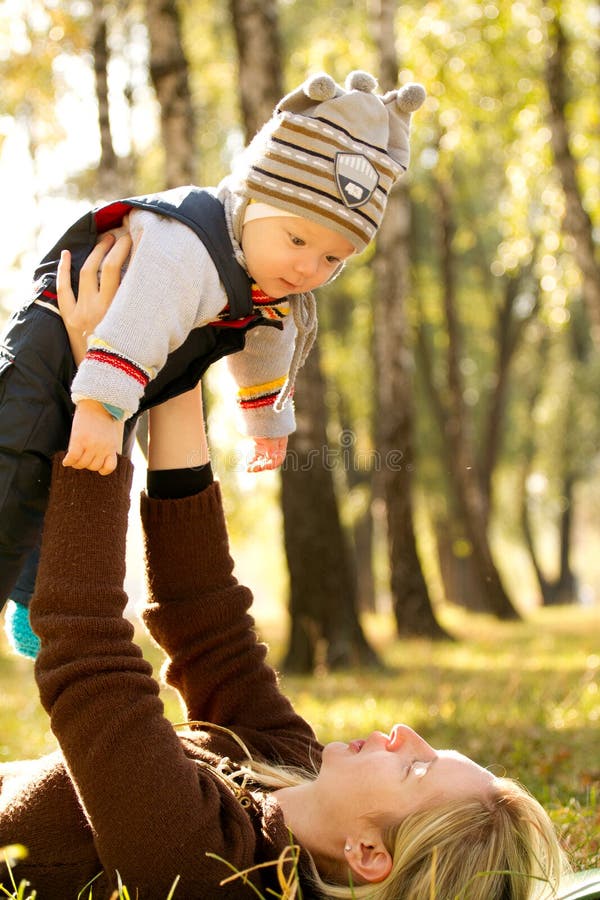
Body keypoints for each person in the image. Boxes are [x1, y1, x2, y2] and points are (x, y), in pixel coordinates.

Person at [0, 247, 568, 900]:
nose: (403, 734)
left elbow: (87, 654)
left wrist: (102, 383)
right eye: (430, 747)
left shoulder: (204, 865)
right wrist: (174, 353)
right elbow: (206, 623)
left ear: (367, 854)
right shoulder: (290, 771)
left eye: (416, 768)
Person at [0, 70, 426, 649]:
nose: (307, 268)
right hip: (61, 330)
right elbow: (142, 315)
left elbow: (268, 346)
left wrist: (266, 421)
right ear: (253, 200)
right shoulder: (188, 247)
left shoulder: (273, 285)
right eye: (297, 240)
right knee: (19, 455)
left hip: (126, 370)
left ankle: (32, 600)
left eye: (332, 257)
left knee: (77, 476)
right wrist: (101, 405)